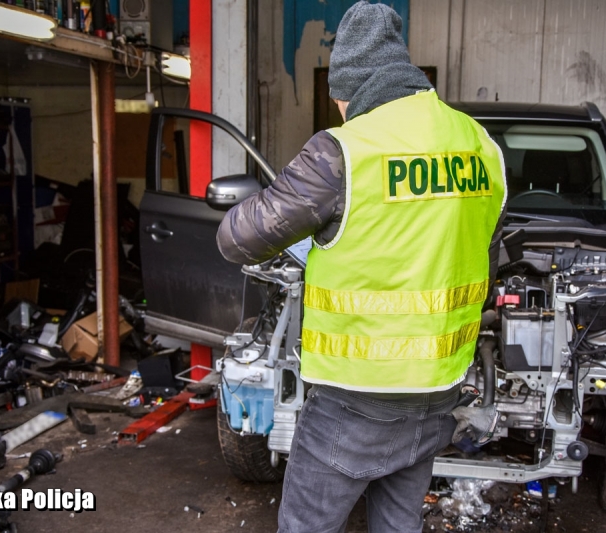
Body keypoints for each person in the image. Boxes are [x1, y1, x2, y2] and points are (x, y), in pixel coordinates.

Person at [216, 2, 506, 531]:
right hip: (438, 391)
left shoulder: (344, 152)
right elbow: (460, 246)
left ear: (351, 90)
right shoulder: (480, 144)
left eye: (338, 102)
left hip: (356, 400)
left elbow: (236, 239)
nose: (340, 113)